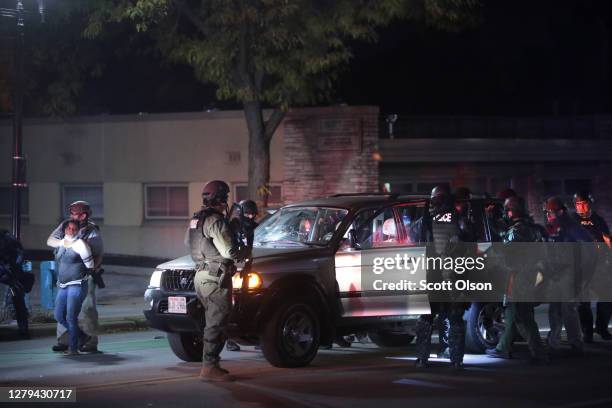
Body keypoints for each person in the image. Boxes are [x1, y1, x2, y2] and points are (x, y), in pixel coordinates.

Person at [412, 185, 474, 370]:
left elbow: (414, 238)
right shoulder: (459, 220)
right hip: (453, 277)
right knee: (453, 319)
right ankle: (456, 360)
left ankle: (422, 359)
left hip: (434, 276)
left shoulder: (425, 220)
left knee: (427, 319)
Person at [188, 180, 244, 381]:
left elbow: (189, 243)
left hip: (200, 277)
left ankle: (212, 365)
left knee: (212, 321)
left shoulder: (197, 219)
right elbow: (229, 251)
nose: (226, 202)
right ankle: (209, 367)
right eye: (225, 197)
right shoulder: (216, 221)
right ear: (219, 198)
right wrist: (243, 252)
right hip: (214, 278)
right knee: (217, 321)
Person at [485, 197, 548, 363]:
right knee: (513, 312)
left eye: (506, 210)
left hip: (519, 276)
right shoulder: (533, 229)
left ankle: (539, 354)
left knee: (523, 316)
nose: (505, 213)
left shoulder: (516, 231)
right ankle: (502, 348)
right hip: (532, 274)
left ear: (511, 211)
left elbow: (505, 254)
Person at [47, 201, 104, 353]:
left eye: (75, 213)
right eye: (71, 213)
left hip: (85, 275)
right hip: (66, 274)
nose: (72, 216)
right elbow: (51, 240)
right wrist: (66, 243)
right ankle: (65, 340)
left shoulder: (92, 231)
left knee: (88, 309)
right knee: (63, 311)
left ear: (84, 215)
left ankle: (90, 341)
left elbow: (98, 254)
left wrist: (92, 270)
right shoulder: (66, 226)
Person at [544, 196, 594, 356]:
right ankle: (554, 342)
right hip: (556, 273)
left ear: (560, 211)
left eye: (550, 211)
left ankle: (576, 344)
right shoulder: (553, 227)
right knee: (555, 310)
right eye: (546, 212)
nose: (548, 214)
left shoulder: (572, 227)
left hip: (570, 273)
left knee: (568, 310)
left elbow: (589, 246)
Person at [572, 191, 612, 342]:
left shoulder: (598, 219)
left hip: (600, 266)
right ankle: (587, 332)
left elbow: (607, 240)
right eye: (578, 204)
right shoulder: (572, 220)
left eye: (584, 203)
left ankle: (601, 328)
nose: (582, 207)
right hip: (581, 266)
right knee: (583, 301)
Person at [54, 220, 95, 355]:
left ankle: (73, 348)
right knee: (59, 315)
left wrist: (83, 275)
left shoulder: (81, 245)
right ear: (65, 230)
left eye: (74, 229)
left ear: (78, 231)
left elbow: (90, 265)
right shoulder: (62, 243)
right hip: (63, 285)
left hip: (76, 285)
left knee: (71, 316)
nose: (71, 231)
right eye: (68, 228)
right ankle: (82, 336)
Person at [225, 199, 259, 352]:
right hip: (234, 267)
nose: (251, 217)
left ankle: (254, 335)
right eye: (248, 214)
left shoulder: (256, 228)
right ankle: (230, 338)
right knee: (232, 303)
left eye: (253, 214)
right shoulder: (234, 226)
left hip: (249, 268)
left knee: (250, 301)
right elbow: (229, 247)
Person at [0, 230, 31, 338]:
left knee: (18, 301)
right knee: (18, 302)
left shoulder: (7, 237)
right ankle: (23, 330)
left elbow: (20, 253)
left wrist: (14, 267)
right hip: (7, 271)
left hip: (12, 272)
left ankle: (23, 330)